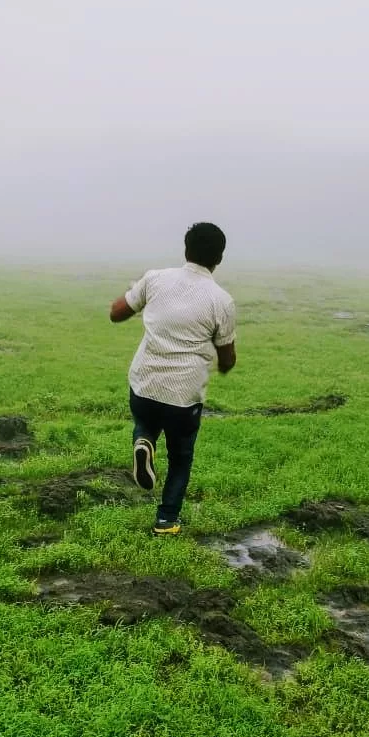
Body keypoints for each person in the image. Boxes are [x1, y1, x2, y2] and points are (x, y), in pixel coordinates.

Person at [109, 222, 237, 536]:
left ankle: (143, 442)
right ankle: (166, 521)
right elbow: (228, 358)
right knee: (181, 456)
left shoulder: (155, 279)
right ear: (219, 258)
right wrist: (221, 364)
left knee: (145, 419)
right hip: (184, 395)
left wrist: (136, 298)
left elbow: (116, 312)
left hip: (145, 383)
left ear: (186, 249)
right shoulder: (221, 300)